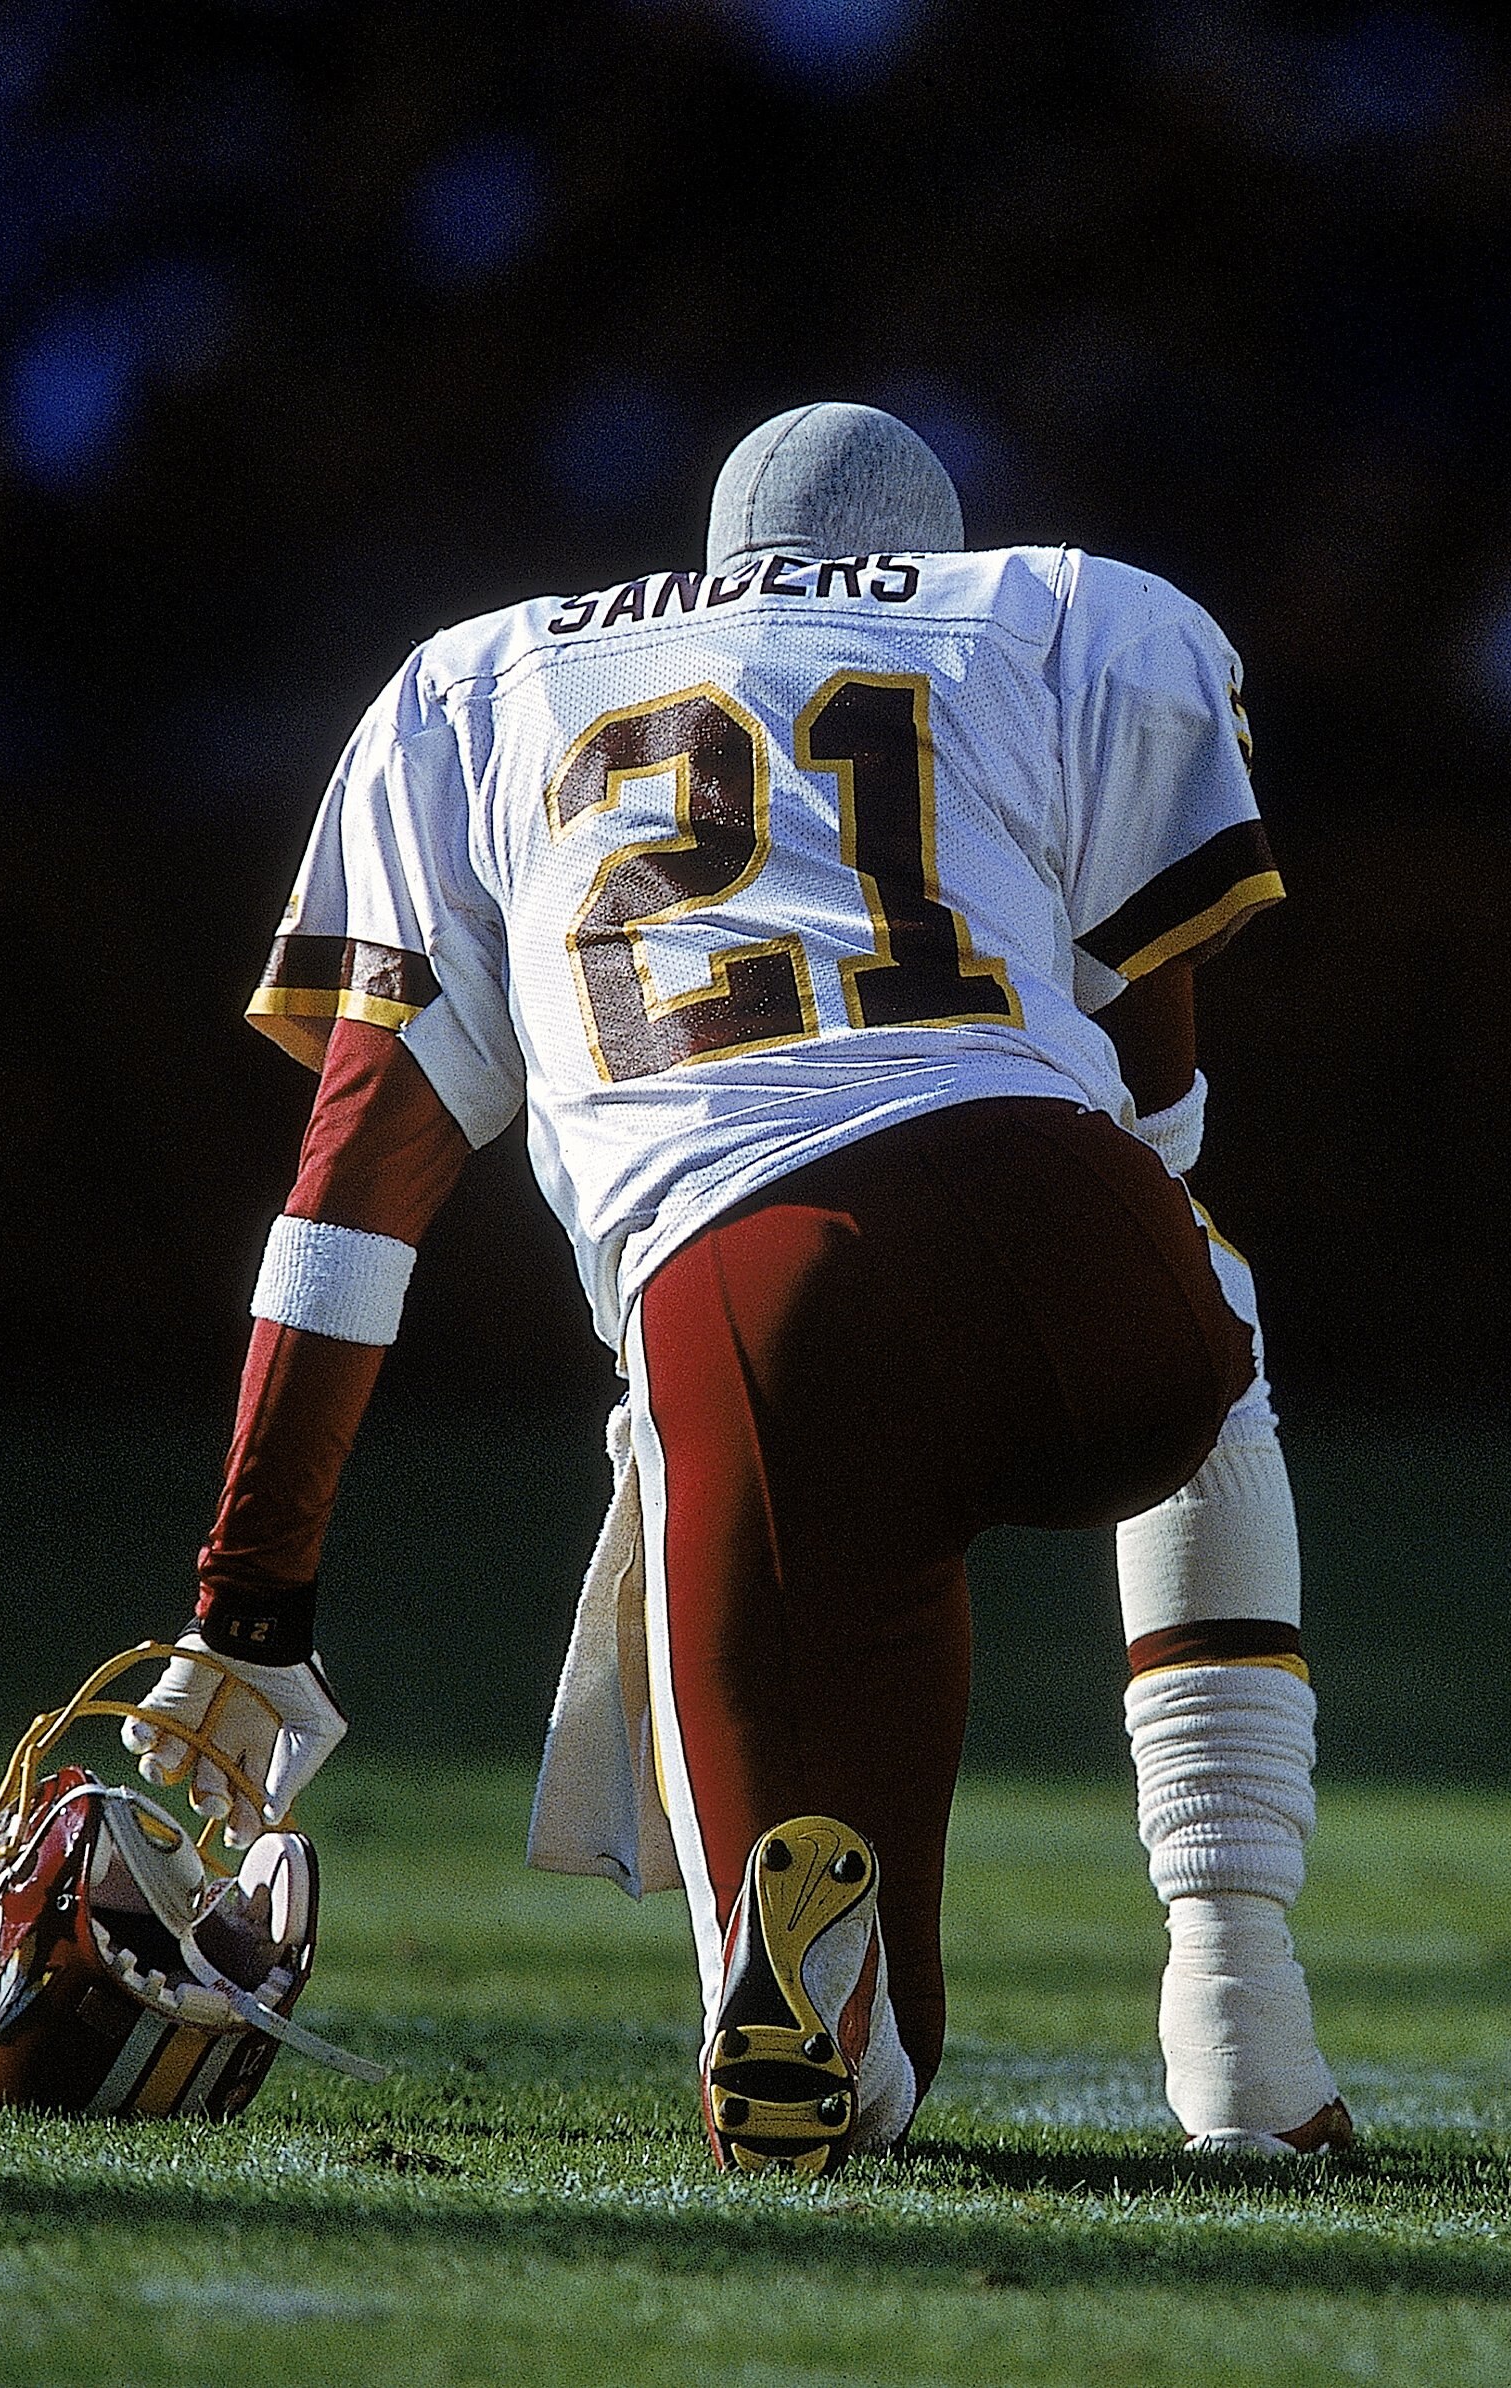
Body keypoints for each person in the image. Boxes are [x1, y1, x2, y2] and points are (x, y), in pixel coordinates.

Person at [120, 402, 1351, 2173]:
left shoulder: (482, 691)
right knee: (1202, 1298)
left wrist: (251, 1600)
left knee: (829, 2088)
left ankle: (836, 2015)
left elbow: (348, 1208)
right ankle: (1241, 2013)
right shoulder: (1061, 615)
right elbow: (1155, 1110)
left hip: (744, 1321)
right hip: (1057, 1231)